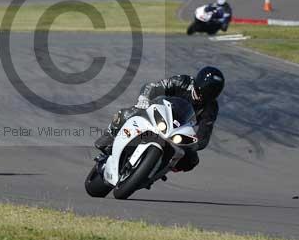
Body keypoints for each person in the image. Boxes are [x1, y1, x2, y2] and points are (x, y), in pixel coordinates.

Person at [94, 66, 225, 172]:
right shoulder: (182, 81)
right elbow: (153, 86)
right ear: (196, 85)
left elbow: (204, 133)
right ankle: (110, 135)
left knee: (192, 160)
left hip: (177, 132)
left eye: (208, 96)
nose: (201, 98)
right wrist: (144, 99)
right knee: (128, 113)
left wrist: (193, 145)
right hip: (159, 114)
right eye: (201, 93)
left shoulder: (211, 107)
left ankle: (161, 169)